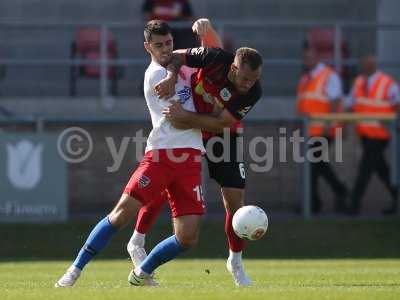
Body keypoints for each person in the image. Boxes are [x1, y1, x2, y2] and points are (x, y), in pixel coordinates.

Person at [55, 20, 208, 288]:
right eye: (158, 45)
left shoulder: (178, 64)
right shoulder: (154, 76)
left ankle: (142, 272)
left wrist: (205, 35)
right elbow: (180, 120)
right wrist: (216, 120)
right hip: (162, 155)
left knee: (188, 238)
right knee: (121, 214)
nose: (165, 50)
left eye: (169, 43)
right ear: (147, 47)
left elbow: (207, 56)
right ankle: (74, 269)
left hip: (190, 158)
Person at [127, 24, 263, 286]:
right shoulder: (214, 58)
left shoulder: (253, 91)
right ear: (234, 68)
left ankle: (235, 261)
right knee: (162, 183)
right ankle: (137, 240)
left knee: (235, 201)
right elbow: (174, 56)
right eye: (245, 78)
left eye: (254, 80)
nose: (249, 85)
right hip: (189, 133)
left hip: (219, 135)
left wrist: (185, 118)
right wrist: (169, 77)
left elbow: (220, 124)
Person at [296, 47, 348, 213]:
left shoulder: (329, 75)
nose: (307, 61)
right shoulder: (305, 78)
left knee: (313, 164)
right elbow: (303, 104)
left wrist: (327, 124)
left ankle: (313, 204)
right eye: (305, 58)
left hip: (325, 130)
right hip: (310, 130)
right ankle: (337, 191)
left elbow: (335, 101)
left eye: (310, 57)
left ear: (317, 58)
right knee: (318, 164)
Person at [348, 54, 399, 215]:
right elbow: (351, 102)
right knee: (382, 170)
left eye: (368, 63)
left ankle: (354, 204)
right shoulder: (358, 82)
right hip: (365, 134)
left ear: (374, 64)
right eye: (364, 63)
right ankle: (396, 198)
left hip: (380, 135)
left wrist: (394, 123)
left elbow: (397, 103)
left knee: (365, 169)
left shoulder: (387, 83)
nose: (365, 66)